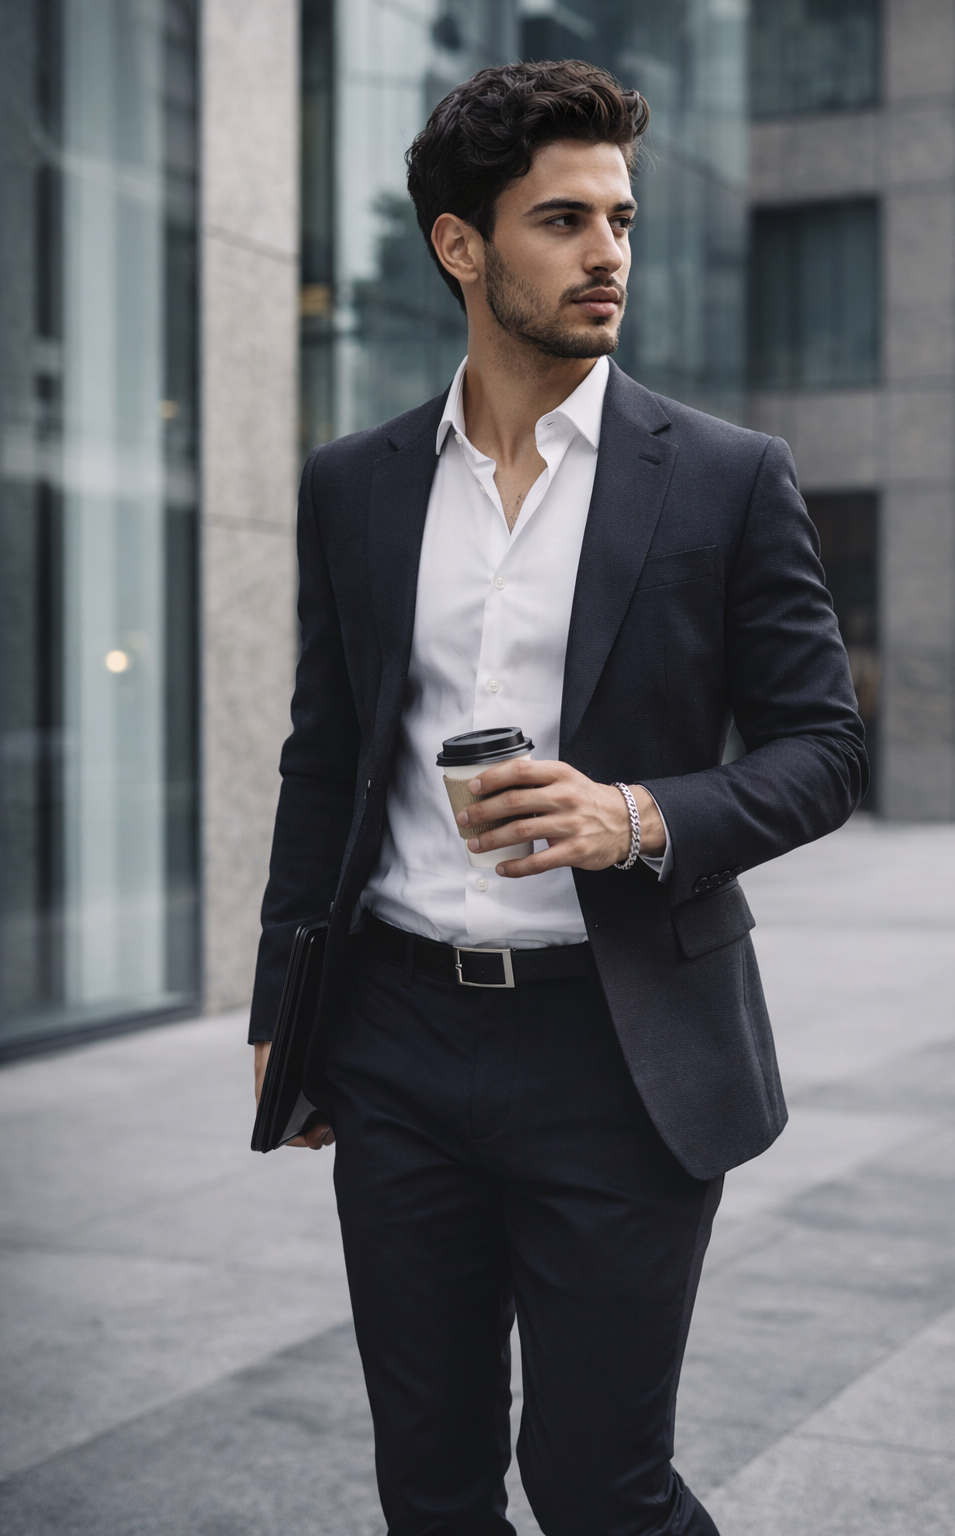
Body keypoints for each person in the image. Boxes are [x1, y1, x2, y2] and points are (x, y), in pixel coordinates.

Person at [250, 59, 867, 1536]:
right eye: (563, 220)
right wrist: (290, 1006)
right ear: (463, 247)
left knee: (600, 1487)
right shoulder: (358, 485)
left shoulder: (724, 478)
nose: (609, 257)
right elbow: (326, 757)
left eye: (623, 220)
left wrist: (638, 818)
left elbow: (824, 749)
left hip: (618, 1047)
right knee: (434, 1482)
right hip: (396, 1039)